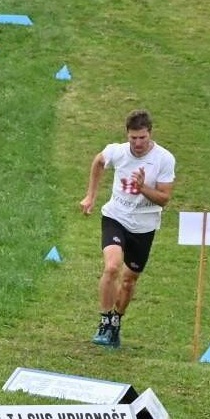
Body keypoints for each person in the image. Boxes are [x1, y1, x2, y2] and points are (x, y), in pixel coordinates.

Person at [78, 110, 177, 349]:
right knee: (112, 267)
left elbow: (164, 199)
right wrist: (91, 196)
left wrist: (143, 188)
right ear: (127, 135)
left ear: (150, 134)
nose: (138, 143)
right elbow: (98, 162)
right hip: (116, 216)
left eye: (142, 138)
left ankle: (115, 322)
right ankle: (104, 322)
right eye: (133, 138)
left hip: (144, 226)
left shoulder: (164, 159)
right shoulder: (117, 151)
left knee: (129, 280)